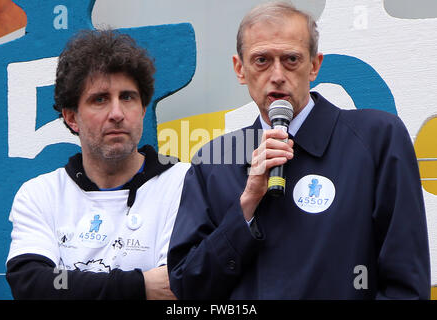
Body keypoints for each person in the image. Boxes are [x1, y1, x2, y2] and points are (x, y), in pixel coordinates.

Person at [167, 2, 430, 299]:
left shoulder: (376, 138)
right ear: (240, 69)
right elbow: (188, 288)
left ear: (314, 66)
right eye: (262, 60)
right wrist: (246, 207)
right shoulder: (213, 161)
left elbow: (406, 283)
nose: (277, 75)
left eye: (291, 59)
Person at [6, 29, 190, 299]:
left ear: (142, 109)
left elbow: (176, 287)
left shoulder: (183, 183)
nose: (117, 114)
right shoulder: (40, 195)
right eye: (100, 99)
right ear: (71, 117)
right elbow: (33, 284)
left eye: (127, 97)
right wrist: (140, 287)